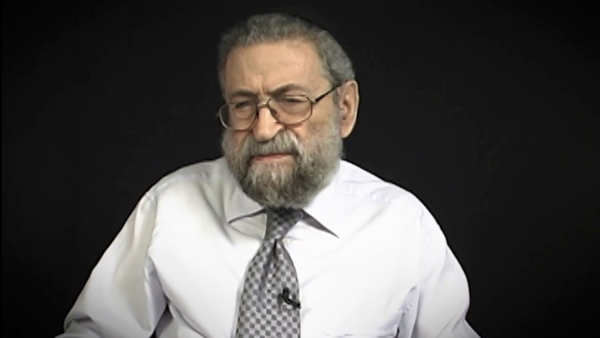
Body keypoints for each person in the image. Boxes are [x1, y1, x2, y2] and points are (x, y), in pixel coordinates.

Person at [57, 12, 480, 338]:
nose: (262, 129)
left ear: (345, 108)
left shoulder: (402, 225)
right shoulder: (171, 204)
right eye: (243, 105)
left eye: (291, 101)